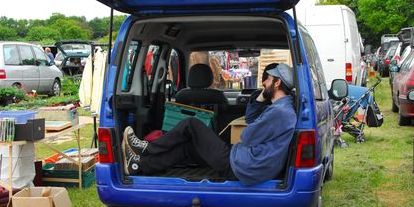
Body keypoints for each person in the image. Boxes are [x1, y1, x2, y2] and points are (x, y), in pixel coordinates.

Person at [122, 63, 297, 186]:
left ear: (277, 82)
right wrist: (261, 97)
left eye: (268, 79)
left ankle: (146, 148)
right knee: (189, 148)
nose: (264, 82)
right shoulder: (282, 108)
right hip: (248, 162)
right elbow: (251, 119)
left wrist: (255, 126)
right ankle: (138, 165)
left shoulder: (278, 112)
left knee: (191, 124)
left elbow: (247, 136)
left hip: (243, 166)